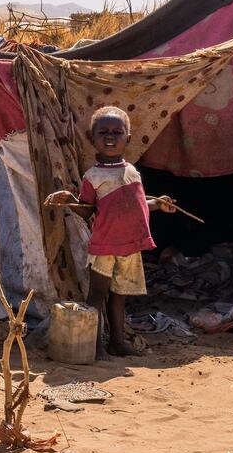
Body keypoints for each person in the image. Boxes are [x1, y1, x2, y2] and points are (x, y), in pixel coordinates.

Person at [45, 106, 176, 356]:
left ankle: (117, 342)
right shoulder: (92, 176)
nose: (110, 137)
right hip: (104, 246)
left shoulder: (133, 172)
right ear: (92, 138)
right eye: (103, 132)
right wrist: (69, 199)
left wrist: (158, 204)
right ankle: (95, 348)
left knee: (119, 295)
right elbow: (87, 211)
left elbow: (137, 207)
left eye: (117, 132)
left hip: (130, 245)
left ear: (128, 138)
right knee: (97, 296)